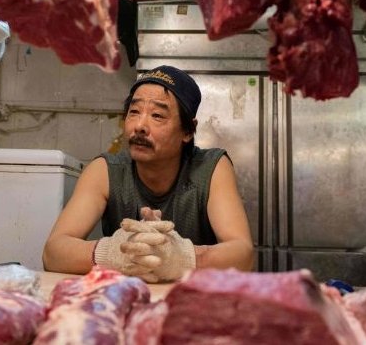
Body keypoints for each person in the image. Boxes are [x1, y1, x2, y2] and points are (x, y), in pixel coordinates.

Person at [42, 65, 254, 282]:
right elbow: (53, 252)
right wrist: (114, 253)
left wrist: (182, 258)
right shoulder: (105, 170)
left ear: (188, 131)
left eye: (157, 115)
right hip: (127, 301)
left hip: (191, 300)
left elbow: (243, 254)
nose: (140, 125)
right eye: (134, 112)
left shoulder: (211, 168)